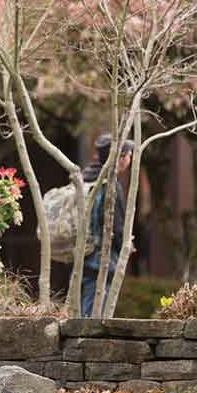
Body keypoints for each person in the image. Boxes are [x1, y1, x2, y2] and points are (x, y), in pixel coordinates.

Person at [80, 134, 134, 317]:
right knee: (94, 313)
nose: (130, 159)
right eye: (128, 155)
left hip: (78, 252)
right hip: (100, 259)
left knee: (82, 306)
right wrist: (125, 245)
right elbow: (116, 227)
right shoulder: (110, 184)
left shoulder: (86, 178)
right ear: (120, 158)